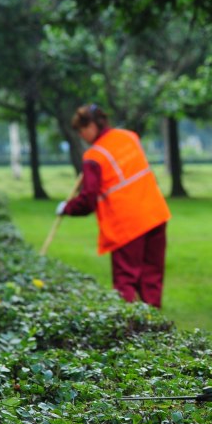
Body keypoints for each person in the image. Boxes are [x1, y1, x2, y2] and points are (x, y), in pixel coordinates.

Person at [58, 104, 171, 308]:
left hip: (127, 225)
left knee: (125, 281)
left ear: (91, 125)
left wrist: (66, 208)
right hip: (155, 214)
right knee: (152, 276)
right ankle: (155, 329)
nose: (82, 136)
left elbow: (88, 200)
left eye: (81, 130)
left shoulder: (94, 157)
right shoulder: (129, 136)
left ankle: (129, 331)